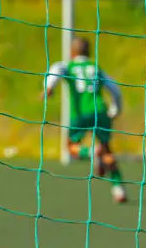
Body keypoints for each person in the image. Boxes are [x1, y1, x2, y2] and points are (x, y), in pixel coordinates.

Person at [41, 36, 127, 204]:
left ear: (72, 52)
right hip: (100, 112)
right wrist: (115, 109)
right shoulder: (96, 68)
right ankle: (119, 190)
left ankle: (91, 153)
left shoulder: (69, 66)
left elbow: (56, 69)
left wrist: (49, 87)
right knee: (107, 151)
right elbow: (114, 89)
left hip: (79, 114)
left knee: (71, 148)